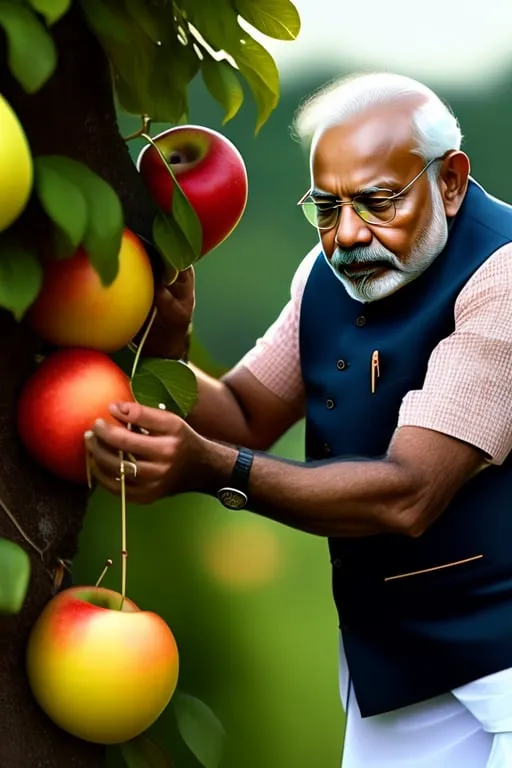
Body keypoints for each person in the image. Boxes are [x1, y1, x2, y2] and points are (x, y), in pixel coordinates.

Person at [86, 72, 512, 767]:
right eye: (326, 206)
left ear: (453, 180)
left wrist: (214, 470)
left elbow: (410, 494)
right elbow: (246, 412)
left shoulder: (503, 276)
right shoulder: (326, 272)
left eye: (377, 203)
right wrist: (166, 339)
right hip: (396, 668)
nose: (346, 235)